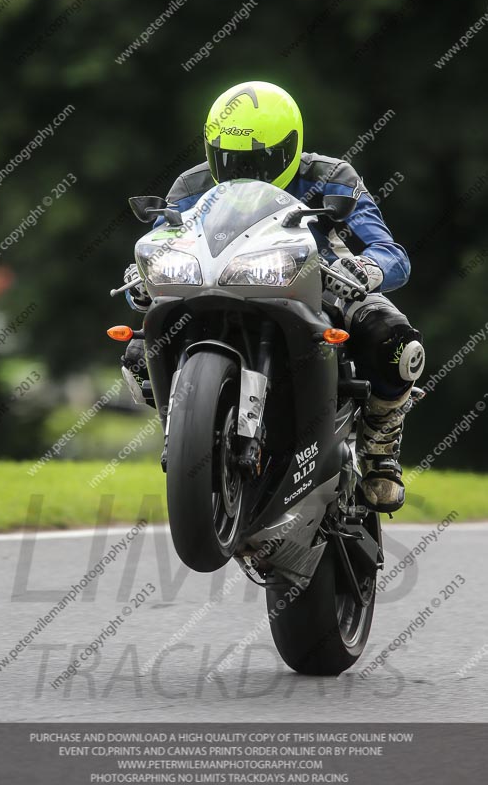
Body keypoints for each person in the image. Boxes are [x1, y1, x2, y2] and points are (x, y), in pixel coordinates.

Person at [122, 81, 425, 513]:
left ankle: (380, 446)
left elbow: (390, 251)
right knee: (139, 352)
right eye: (231, 160)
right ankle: (192, 430)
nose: (245, 171)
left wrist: (365, 267)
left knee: (395, 340)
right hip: (220, 284)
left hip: (324, 289)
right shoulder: (191, 185)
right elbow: (159, 239)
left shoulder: (333, 177)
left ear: (291, 147)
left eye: (259, 161)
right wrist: (142, 272)